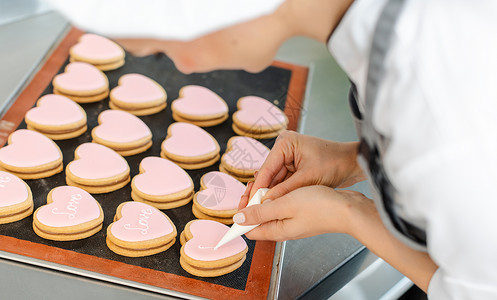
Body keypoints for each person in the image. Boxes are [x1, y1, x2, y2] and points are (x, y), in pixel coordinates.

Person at [47, 0, 497, 298]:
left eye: (163, 49)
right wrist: (353, 157)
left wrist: (351, 214)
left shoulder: (438, 103)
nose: (182, 67)